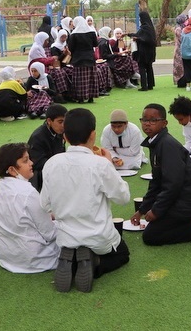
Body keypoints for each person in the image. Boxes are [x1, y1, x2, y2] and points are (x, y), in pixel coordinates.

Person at [40, 108, 131, 293]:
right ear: (93, 135)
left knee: (74, 242)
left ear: (64, 137)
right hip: (98, 236)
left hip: (66, 236)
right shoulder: (100, 164)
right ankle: (94, 263)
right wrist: (108, 164)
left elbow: (44, 204)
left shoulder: (52, 163)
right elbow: (123, 198)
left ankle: (73, 262)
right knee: (123, 255)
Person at [131, 104, 191, 246]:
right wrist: (142, 210)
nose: (147, 123)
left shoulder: (166, 145)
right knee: (154, 226)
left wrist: (156, 211)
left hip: (190, 197)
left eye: (153, 120)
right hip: (183, 195)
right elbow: (156, 182)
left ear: (164, 123)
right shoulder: (156, 142)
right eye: (144, 120)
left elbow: (172, 184)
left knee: (151, 236)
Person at [0, 143, 60, 273]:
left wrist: (49, 215)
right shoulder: (27, 192)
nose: (31, 163)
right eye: (25, 161)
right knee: (72, 226)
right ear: (12, 170)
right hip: (36, 260)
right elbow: (49, 234)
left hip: (7, 258)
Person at [27, 104, 68, 191]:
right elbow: (37, 163)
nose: (64, 125)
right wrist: (61, 164)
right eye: (60, 122)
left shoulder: (59, 131)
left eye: (65, 122)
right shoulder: (37, 137)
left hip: (56, 168)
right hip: (41, 176)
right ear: (49, 121)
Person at [67, 16, 100, 103]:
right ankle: (91, 97)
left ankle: (80, 98)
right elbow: (95, 44)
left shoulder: (74, 34)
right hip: (89, 57)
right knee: (91, 78)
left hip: (78, 59)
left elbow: (71, 47)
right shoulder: (92, 32)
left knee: (80, 80)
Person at [133, 11, 157, 91]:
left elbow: (145, 38)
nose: (140, 20)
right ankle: (150, 84)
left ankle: (144, 86)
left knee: (142, 67)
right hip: (150, 51)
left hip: (144, 51)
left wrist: (138, 38)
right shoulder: (151, 27)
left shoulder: (145, 28)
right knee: (149, 67)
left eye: (140, 18)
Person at [172, 13, 188, 88]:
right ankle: (181, 82)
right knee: (180, 67)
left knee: (182, 66)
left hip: (181, 49)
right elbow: (182, 39)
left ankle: (184, 81)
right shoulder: (179, 29)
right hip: (179, 50)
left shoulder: (182, 28)